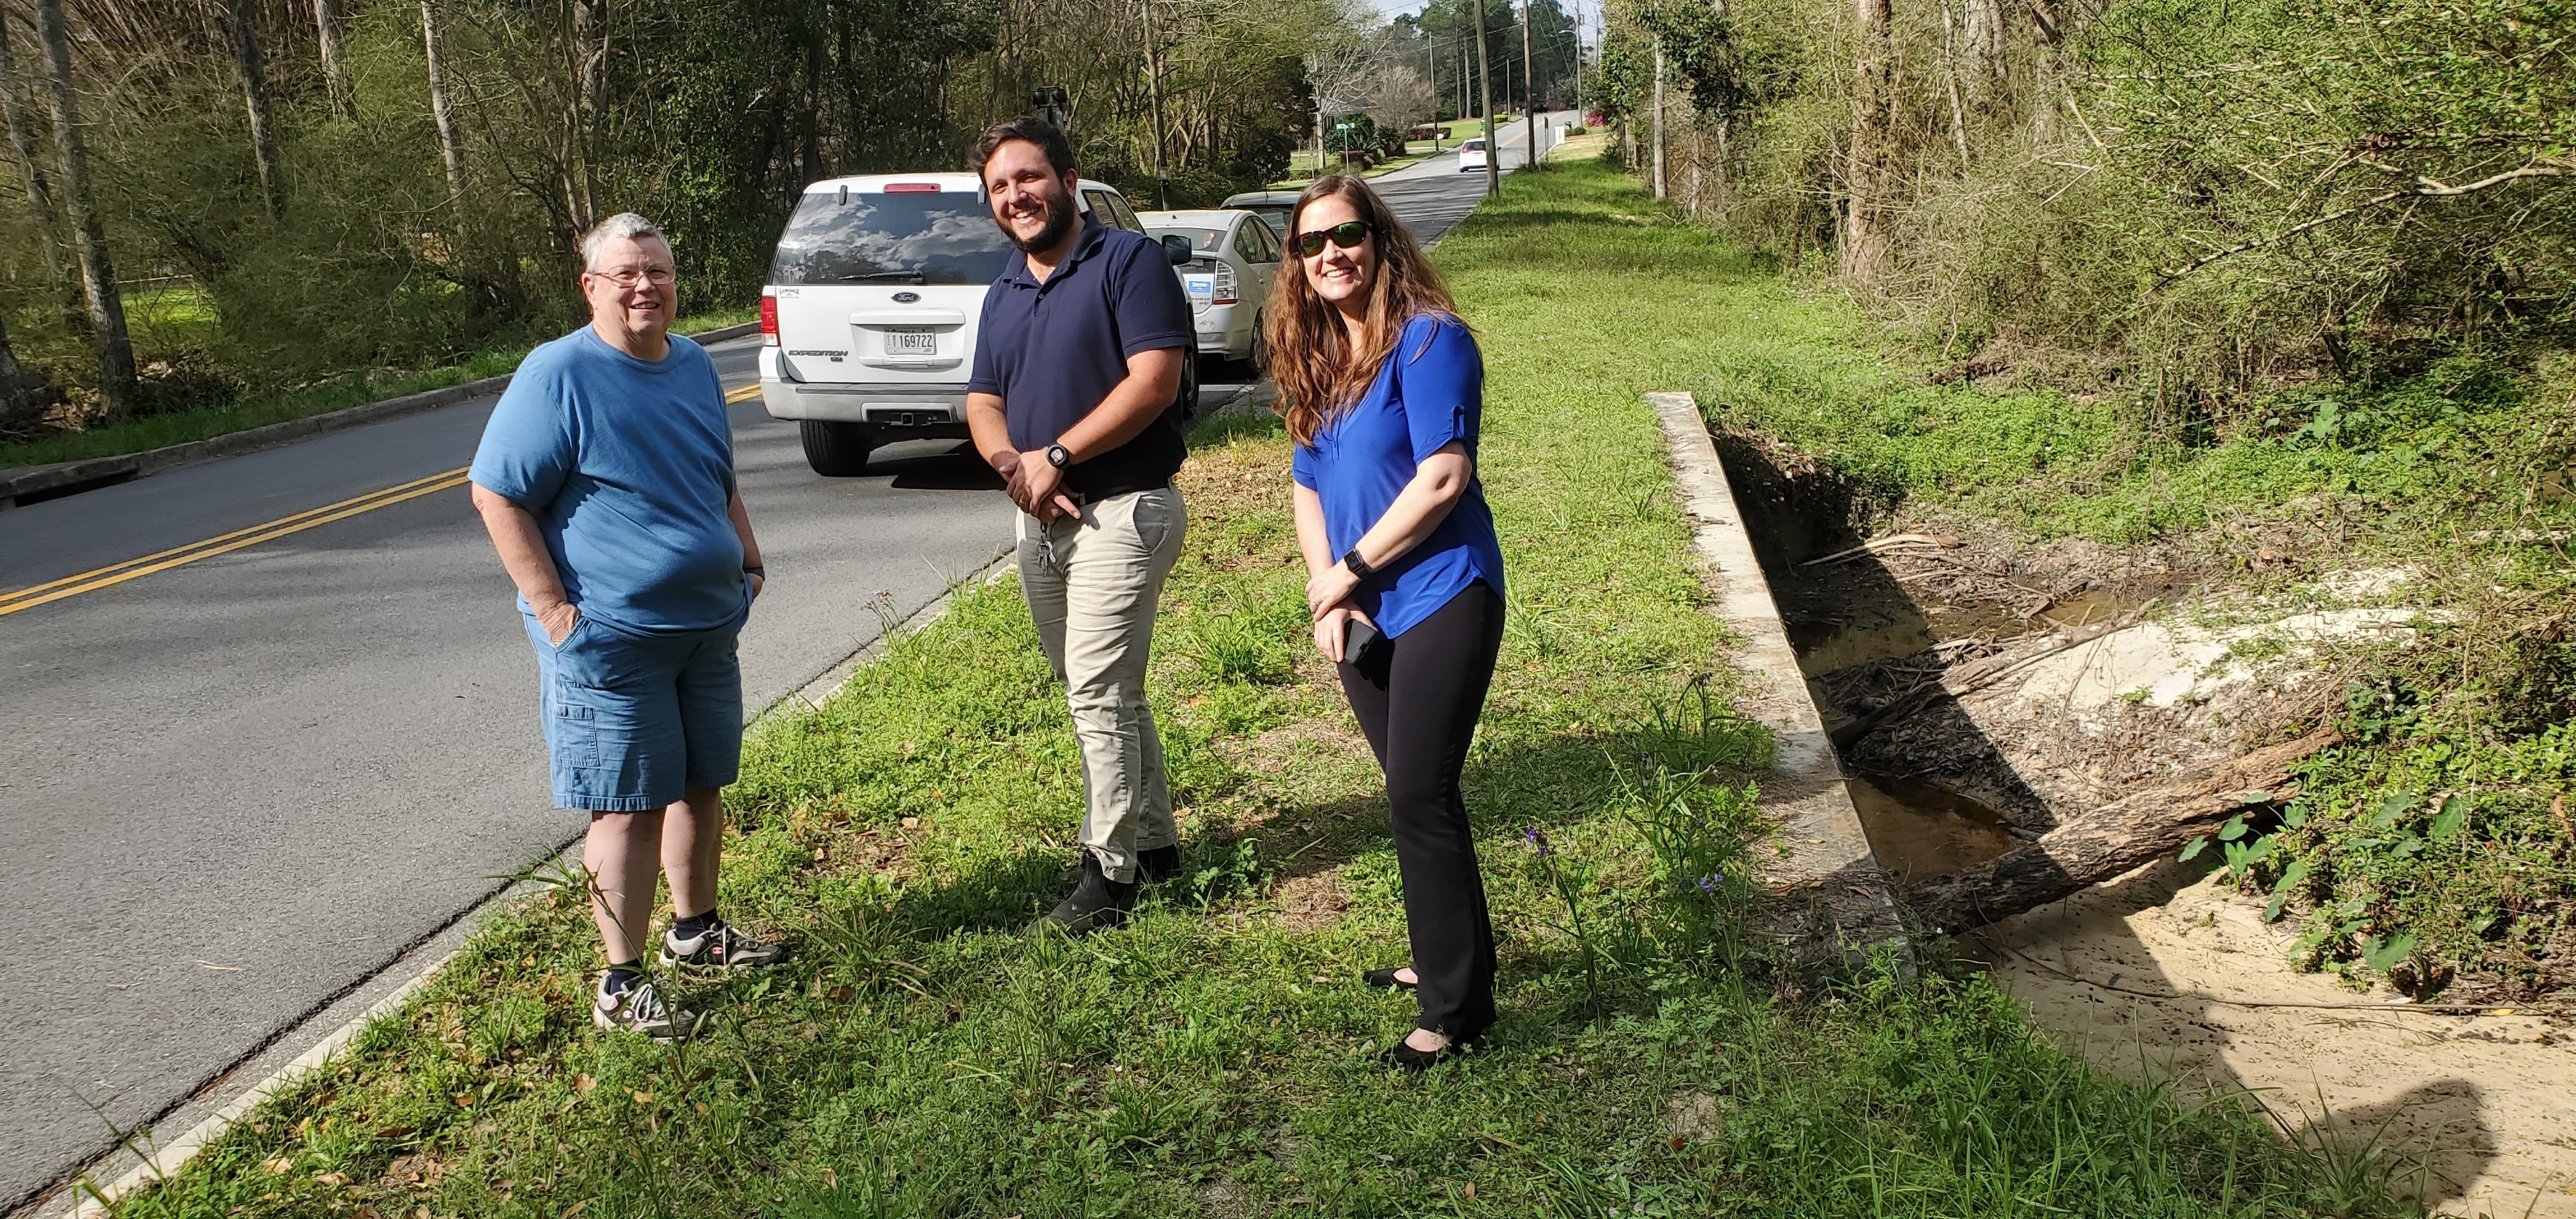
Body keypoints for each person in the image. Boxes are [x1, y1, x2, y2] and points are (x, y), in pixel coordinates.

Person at [468, 212, 783, 1043]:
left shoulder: (691, 364)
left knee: (700, 785)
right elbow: (498, 493)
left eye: (659, 272)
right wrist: (557, 615)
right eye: (627, 274)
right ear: (592, 288)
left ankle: (696, 932)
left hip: (708, 626)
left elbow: (718, 473)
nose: (646, 286)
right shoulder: (558, 374)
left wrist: (748, 561)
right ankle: (621, 983)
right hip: (612, 641)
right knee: (627, 808)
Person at [1267, 176, 1509, 1070]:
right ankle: (1451, 957)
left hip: (1444, 589)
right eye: (1310, 243)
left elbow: (1442, 479)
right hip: (1362, 608)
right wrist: (1325, 589)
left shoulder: (1430, 342)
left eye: (1346, 233)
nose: (1330, 253)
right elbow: (1305, 487)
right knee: (1415, 793)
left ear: (1379, 238)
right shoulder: (1321, 360)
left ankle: (1457, 1010)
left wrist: (1351, 572)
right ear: (1296, 262)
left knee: (1418, 789)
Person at [963, 118, 1195, 935]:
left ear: (1067, 178)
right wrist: (1015, 467)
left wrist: (1057, 453)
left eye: (1028, 178)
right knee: (1102, 690)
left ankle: (1110, 874)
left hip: (1125, 511)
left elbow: (1155, 382)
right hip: (1041, 520)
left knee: (1096, 692)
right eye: (999, 187)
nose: (1016, 197)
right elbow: (983, 400)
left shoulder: (1128, 262)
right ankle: (1160, 849)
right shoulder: (1004, 290)